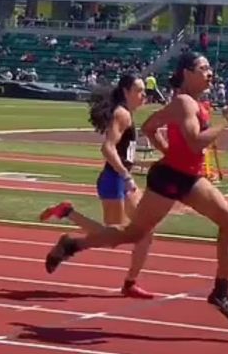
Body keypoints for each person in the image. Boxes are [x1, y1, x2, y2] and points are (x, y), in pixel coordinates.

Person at [42, 52, 228, 323]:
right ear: (186, 72)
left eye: (210, 68)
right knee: (130, 234)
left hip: (189, 177)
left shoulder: (193, 102)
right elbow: (196, 142)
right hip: (168, 179)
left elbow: (150, 126)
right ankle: (72, 243)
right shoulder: (184, 103)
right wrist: (225, 123)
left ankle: (221, 290)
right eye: (203, 68)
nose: (210, 73)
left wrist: (168, 151)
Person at [38, 73, 155, 299]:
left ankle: (130, 282)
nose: (144, 96)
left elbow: (124, 155)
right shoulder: (122, 114)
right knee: (114, 236)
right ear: (126, 92)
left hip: (121, 179)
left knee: (145, 230)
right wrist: (126, 176)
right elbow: (107, 149)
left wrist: (148, 166)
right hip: (113, 180)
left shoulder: (128, 114)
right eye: (139, 91)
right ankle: (68, 215)